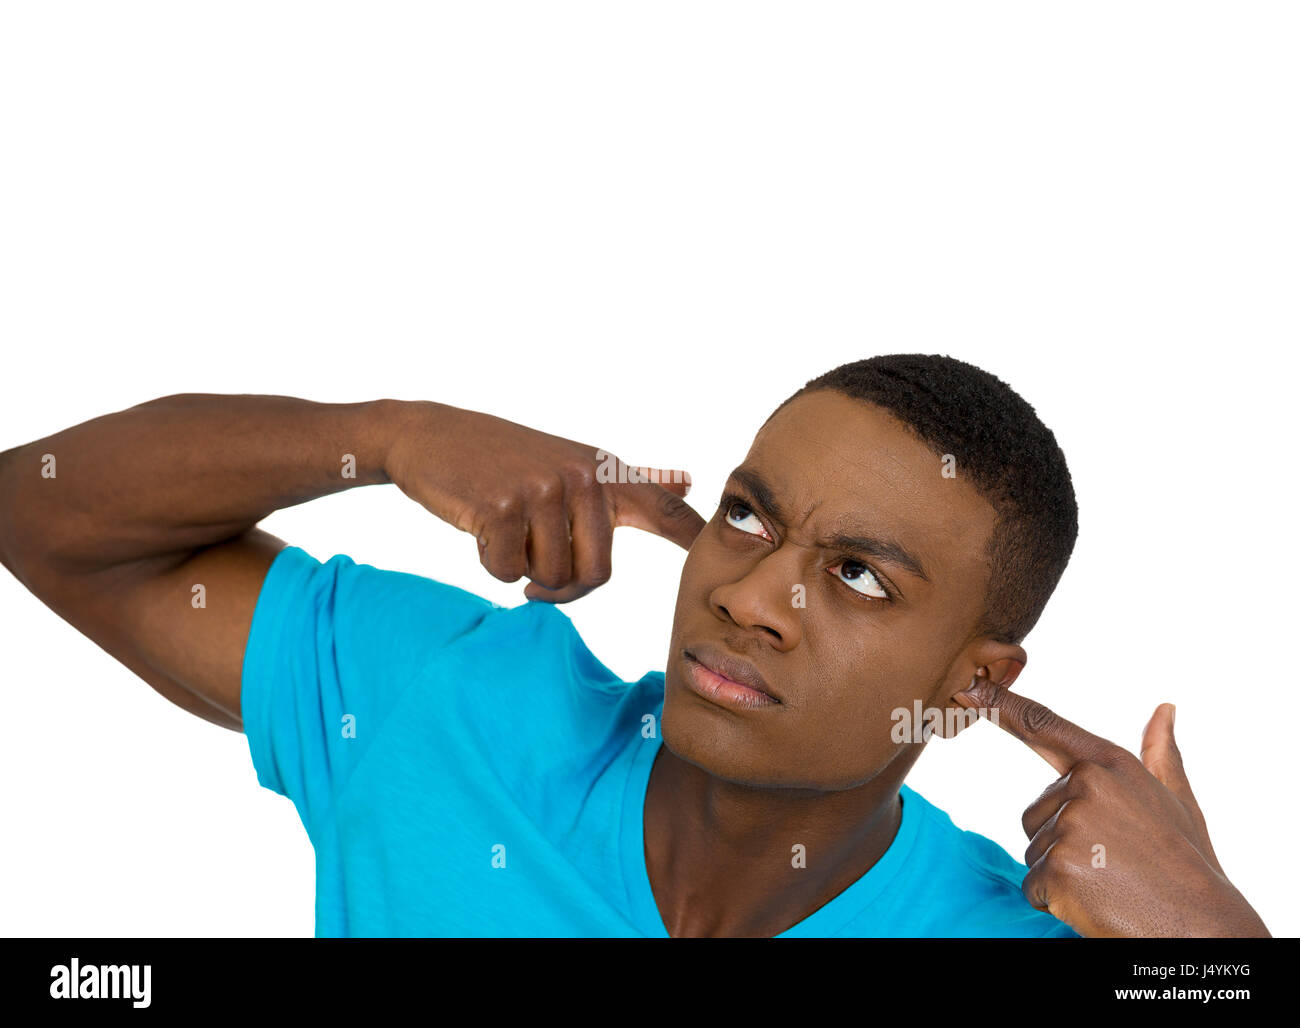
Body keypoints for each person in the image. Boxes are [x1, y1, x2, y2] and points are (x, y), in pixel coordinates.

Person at [0, 354, 1270, 937]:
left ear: (967, 688)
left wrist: (1221, 949)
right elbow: (41, 506)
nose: (750, 594)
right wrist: (385, 433)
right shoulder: (452, 704)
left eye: (856, 576)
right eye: (746, 514)